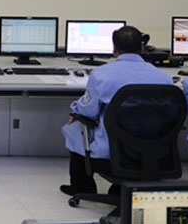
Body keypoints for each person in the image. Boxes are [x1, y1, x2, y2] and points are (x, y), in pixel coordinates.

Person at [59, 26, 172, 196]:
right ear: (142, 48)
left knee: (75, 127)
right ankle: (121, 189)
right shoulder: (164, 78)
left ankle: (82, 187)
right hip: (154, 153)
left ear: (114, 49)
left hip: (112, 155)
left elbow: (88, 111)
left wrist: (75, 110)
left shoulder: (101, 75)